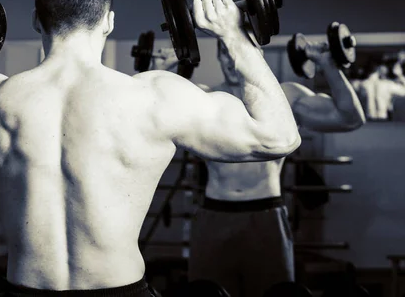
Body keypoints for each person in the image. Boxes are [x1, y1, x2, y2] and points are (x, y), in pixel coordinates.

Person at [0, 0, 300, 297]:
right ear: (109, 21)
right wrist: (237, 38)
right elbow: (280, 137)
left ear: (37, 21)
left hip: (25, 290)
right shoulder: (153, 98)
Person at [153, 32, 366, 297]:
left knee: (275, 294)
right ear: (218, 56)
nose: (231, 62)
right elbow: (153, 113)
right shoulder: (205, 99)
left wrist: (328, 65)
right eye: (224, 53)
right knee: (205, 293)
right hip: (213, 215)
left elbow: (349, 118)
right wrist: (159, 72)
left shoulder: (286, 99)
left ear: (257, 55)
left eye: (237, 51)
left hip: (266, 216)